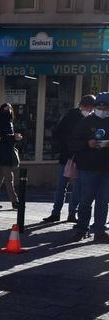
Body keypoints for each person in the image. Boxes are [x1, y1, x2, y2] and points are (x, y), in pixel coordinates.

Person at [43, 95, 95, 223]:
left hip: (82, 157)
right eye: (88, 107)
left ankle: (72, 213)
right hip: (67, 156)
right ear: (82, 105)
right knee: (62, 186)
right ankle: (56, 213)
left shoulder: (92, 119)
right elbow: (58, 133)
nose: (89, 110)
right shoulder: (71, 116)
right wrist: (67, 146)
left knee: (77, 188)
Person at [69, 91, 109, 243]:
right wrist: (87, 143)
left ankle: (99, 231)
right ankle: (81, 228)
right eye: (101, 107)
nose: (104, 110)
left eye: (107, 108)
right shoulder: (85, 122)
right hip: (87, 167)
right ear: (96, 106)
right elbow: (72, 143)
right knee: (85, 200)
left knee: (103, 201)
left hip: (106, 168)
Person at [0, 103, 22, 209]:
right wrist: (13, 137)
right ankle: (15, 201)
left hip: (6, 152)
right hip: (2, 153)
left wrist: (14, 138)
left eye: (10, 109)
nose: (8, 111)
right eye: (6, 109)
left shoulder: (8, 122)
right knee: (9, 178)